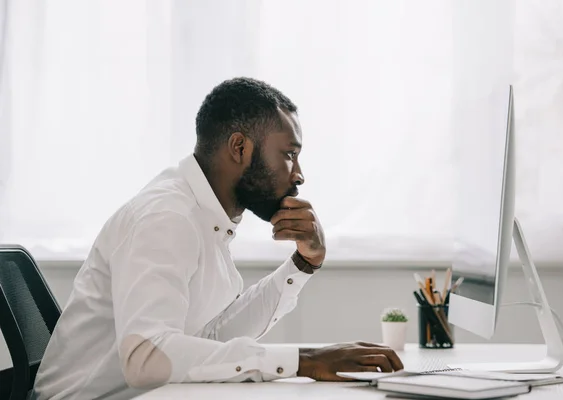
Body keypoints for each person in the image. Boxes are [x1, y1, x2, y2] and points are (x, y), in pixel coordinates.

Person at [33, 77, 403, 400]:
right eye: (289, 155)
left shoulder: (202, 216)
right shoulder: (168, 217)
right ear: (239, 148)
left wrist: (303, 265)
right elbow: (146, 358)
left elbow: (209, 340)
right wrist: (302, 361)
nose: (299, 175)